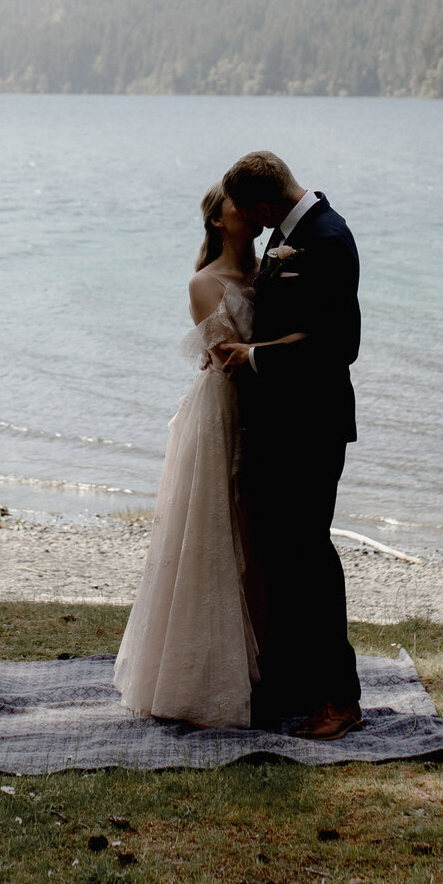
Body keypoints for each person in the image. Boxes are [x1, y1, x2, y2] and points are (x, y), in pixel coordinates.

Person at [212, 150, 363, 739]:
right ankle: (300, 684)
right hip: (282, 426)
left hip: (312, 427)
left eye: (251, 215)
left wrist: (254, 356)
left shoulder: (327, 239)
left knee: (311, 560)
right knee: (286, 561)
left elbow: (337, 346)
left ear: (266, 204)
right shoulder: (287, 233)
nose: (253, 227)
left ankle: (341, 700)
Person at [112, 184, 261, 727]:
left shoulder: (270, 272)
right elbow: (227, 361)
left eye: (250, 204)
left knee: (255, 537)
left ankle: (263, 664)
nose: (247, 211)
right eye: (235, 205)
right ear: (217, 220)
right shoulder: (205, 283)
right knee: (214, 533)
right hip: (223, 414)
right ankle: (207, 676)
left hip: (265, 414)